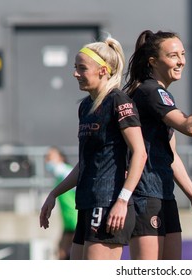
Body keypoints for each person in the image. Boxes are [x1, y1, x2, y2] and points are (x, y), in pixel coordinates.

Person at [39, 35, 147, 260]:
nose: (75, 73)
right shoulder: (86, 106)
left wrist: (122, 200)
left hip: (110, 204)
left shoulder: (119, 101)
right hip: (87, 203)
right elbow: (86, 162)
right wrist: (54, 194)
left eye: (81, 68)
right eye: (75, 67)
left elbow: (140, 152)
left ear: (103, 71)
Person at [123, 30, 192, 259]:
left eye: (183, 54)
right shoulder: (150, 91)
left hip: (165, 195)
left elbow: (172, 156)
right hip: (145, 195)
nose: (181, 61)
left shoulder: (160, 94)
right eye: (173, 55)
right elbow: (191, 127)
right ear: (153, 61)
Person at [44, 146, 77, 260]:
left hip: (76, 220)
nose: (47, 161)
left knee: (70, 253)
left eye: (50, 157)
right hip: (68, 221)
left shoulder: (66, 172)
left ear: (61, 158)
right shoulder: (59, 176)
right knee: (61, 253)